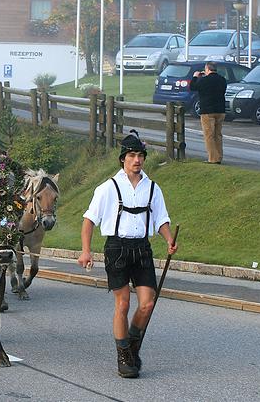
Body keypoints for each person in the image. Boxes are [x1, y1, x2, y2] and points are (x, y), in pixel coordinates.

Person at [77, 130, 178, 378]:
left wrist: (168, 240)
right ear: (123, 158)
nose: (137, 160)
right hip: (117, 248)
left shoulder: (153, 188)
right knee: (123, 303)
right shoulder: (108, 188)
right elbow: (89, 220)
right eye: (132, 155)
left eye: (140, 155)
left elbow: (161, 219)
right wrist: (86, 251)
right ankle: (123, 355)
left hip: (142, 248)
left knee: (147, 304)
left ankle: (132, 345)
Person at [190, 61, 227, 164]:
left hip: (207, 111)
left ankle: (212, 159)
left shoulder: (204, 80)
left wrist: (195, 77)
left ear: (207, 69)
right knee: (218, 135)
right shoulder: (222, 80)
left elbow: (192, 87)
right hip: (220, 110)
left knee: (209, 135)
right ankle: (219, 156)